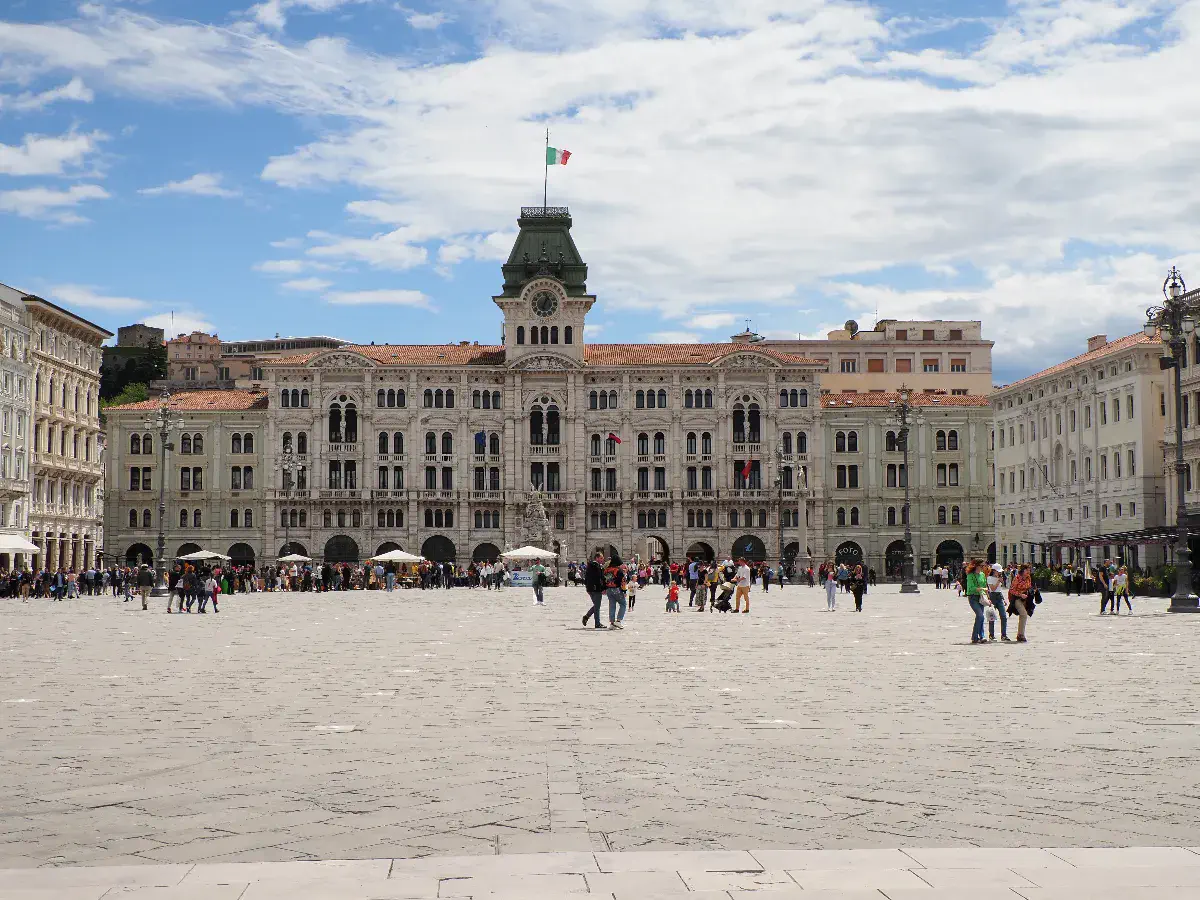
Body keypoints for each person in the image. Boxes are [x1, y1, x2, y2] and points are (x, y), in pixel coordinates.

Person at [965, 559, 989, 644]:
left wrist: (988, 597)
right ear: (976, 565)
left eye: (984, 566)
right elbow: (971, 588)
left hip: (981, 597)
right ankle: (975, 637)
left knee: (981, 617)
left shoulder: (982, 574)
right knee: (980, 616)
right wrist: (981, 589)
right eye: (982, 566)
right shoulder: (970, 575)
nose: (983, 567)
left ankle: (981, 636)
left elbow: (985, 586)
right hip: (973, 597)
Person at [1008, 563, 1033, 642]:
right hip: (1017, 598)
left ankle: (1020, 634)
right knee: (1024, 614)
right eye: (1027, 570)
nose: (1028, 572)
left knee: (1023, 615)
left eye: (1029, 570)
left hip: (1025, 599)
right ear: (1022, 570)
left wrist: (1032, 591)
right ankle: (1021, 634)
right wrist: (1020, 594)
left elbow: (1029, 586)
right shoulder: (1017, 578)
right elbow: (1011, 590)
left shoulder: (1028, 577)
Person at [986, 563, 1011, 641]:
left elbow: (999, 589)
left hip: (999, 596)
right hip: (992, 596)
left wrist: (1003, 599)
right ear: (994, 571)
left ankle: (1004, 635)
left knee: (1003, 616)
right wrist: (998, 581)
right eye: (998, 571)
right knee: (992, 616)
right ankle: (991, 635)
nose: (999, 573)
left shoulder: (999, 577)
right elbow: (993, 589)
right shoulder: (989, 578)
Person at [582, 551, 606, 629]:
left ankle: (588, 617)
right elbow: (599, 579)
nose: (602, 559)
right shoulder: (597, 567)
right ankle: (596, 623)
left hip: (590, 588)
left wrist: (587, 588)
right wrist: (603, 588)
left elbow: (586, 577)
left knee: (596, 605)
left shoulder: (589, 566)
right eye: (601, 558)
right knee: (597, 606)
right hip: (597, 589)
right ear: (597, 558)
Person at [604, 553, 627, 629]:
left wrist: (604, 588)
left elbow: (604, 580)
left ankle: (612, 623)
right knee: (623, 604)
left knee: (612, 606)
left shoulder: (606, 570)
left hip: (608, 589)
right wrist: (624, 591)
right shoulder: (618, 570)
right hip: (616, 589)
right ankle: (618, 621)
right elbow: (622, 581)